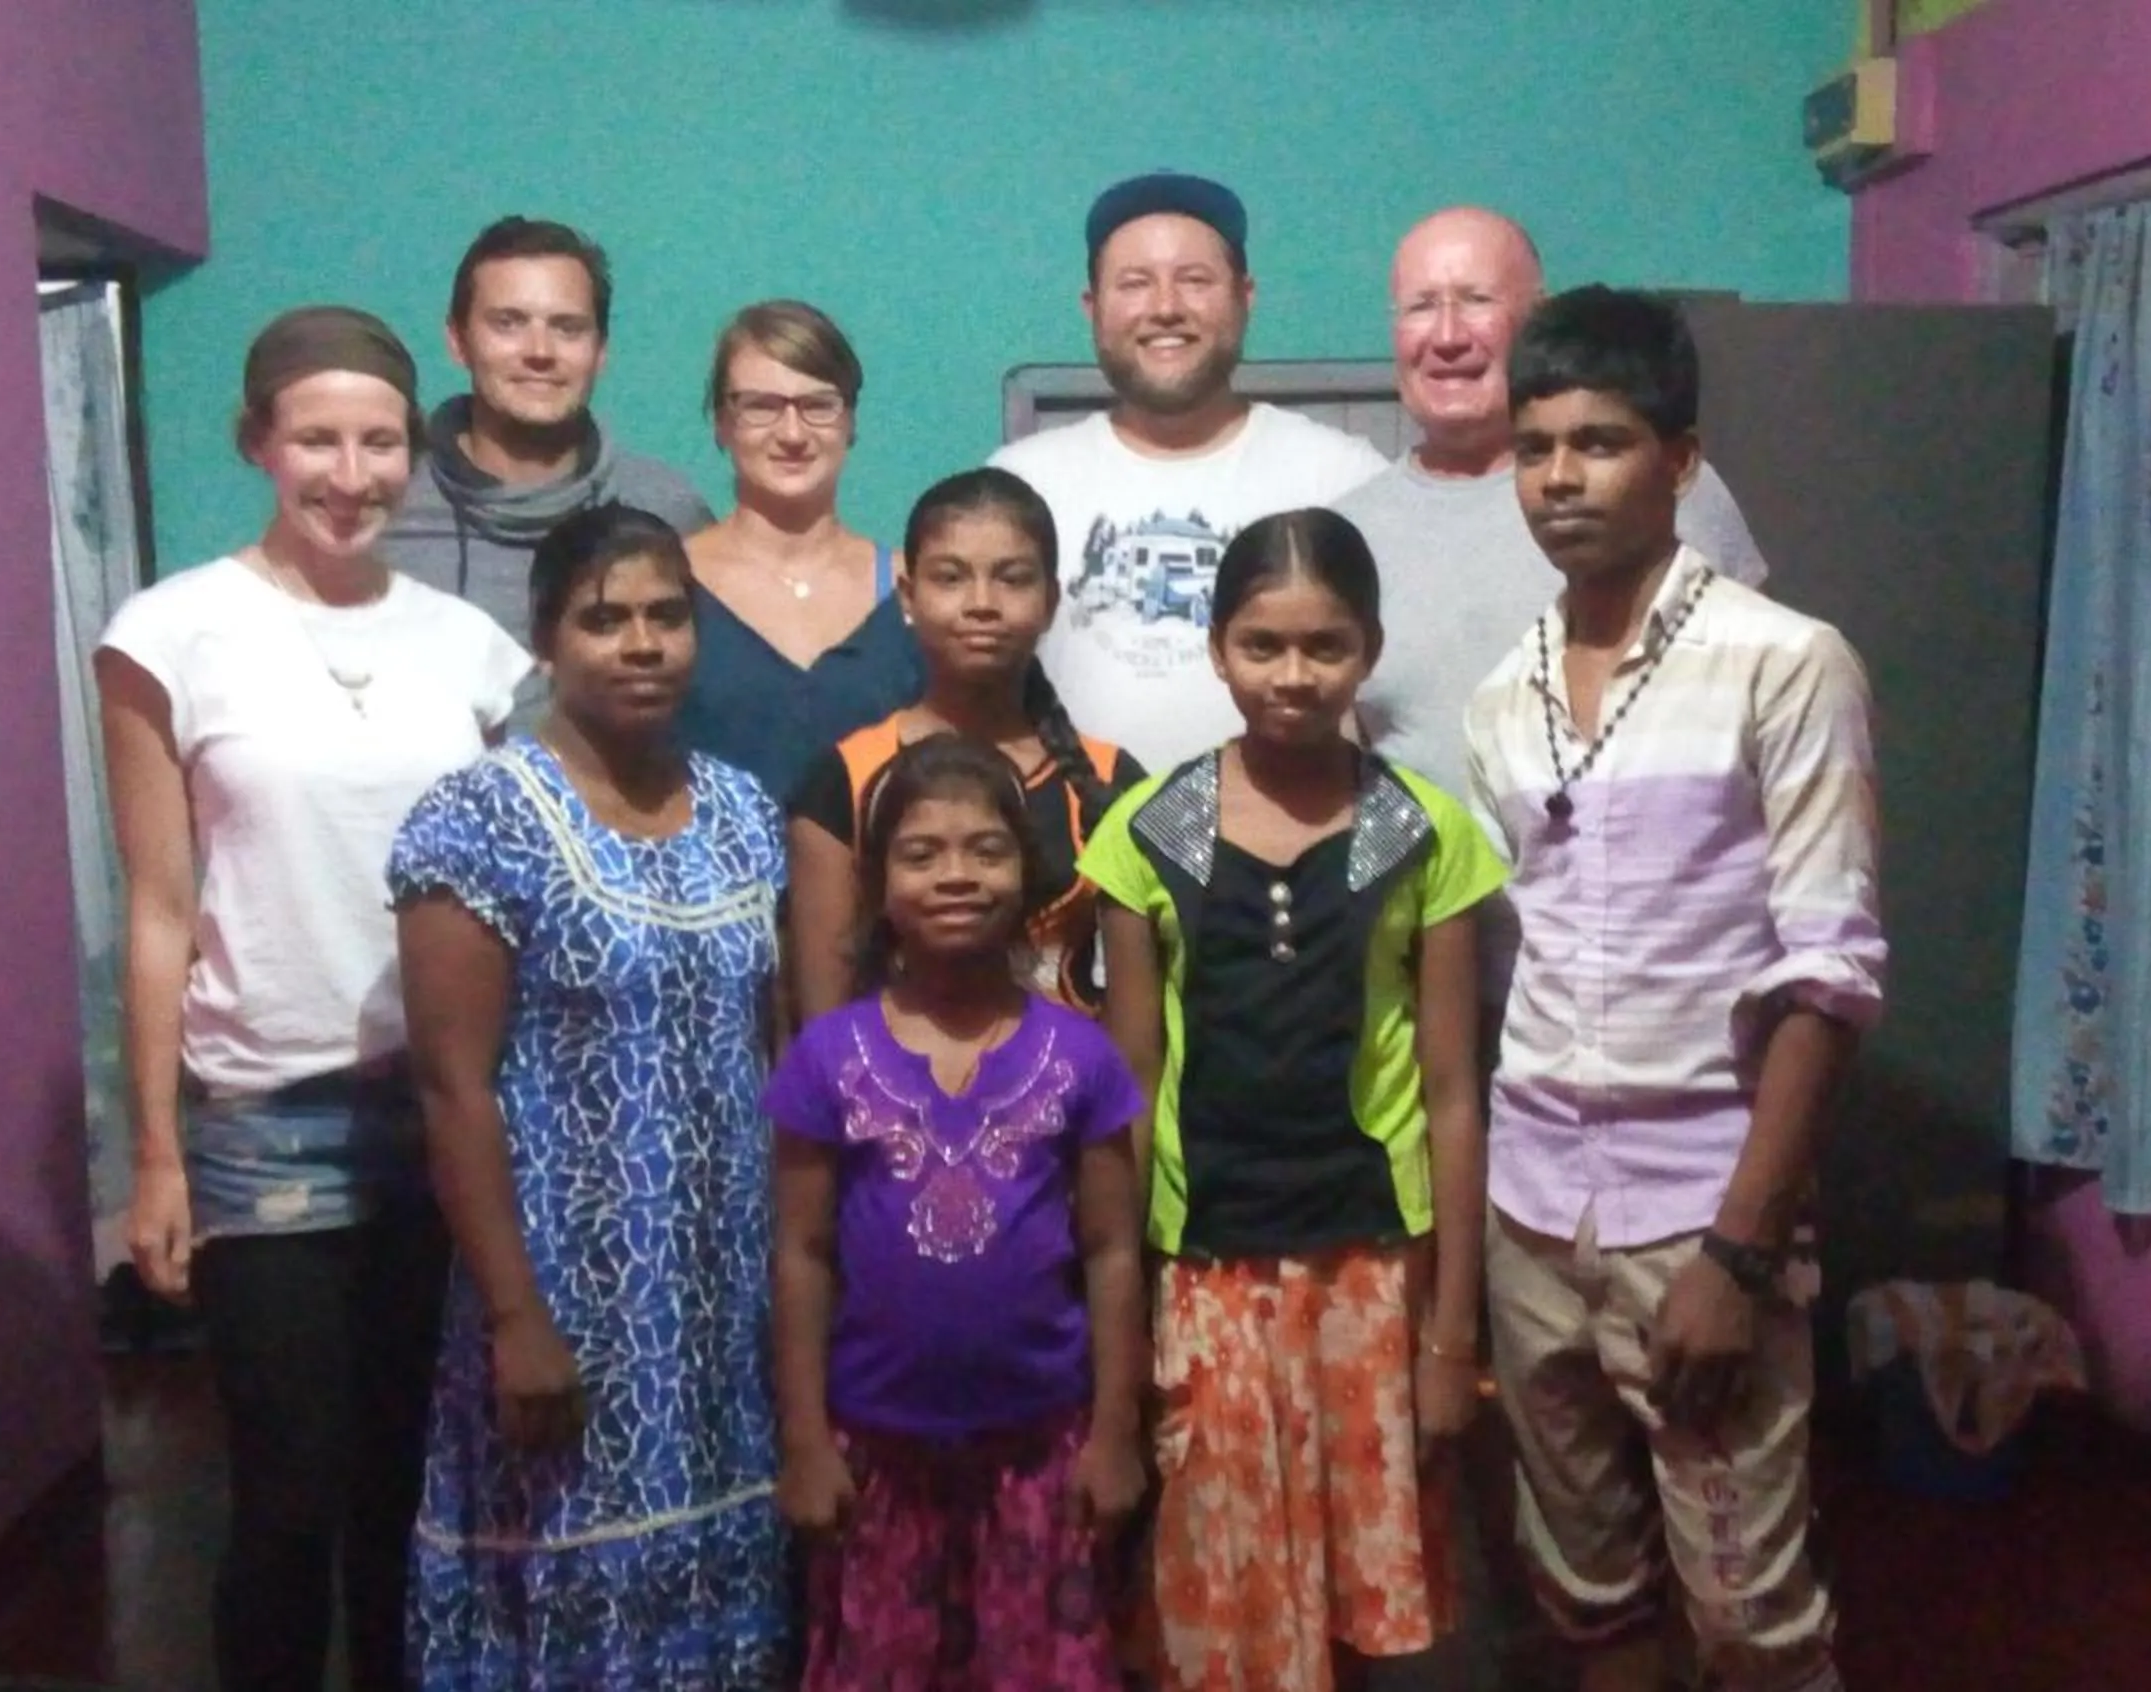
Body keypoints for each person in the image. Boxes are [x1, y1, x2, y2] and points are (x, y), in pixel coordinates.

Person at [96, 306, 531, 1692]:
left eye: (381, 441)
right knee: (287, 1496)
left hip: (451, 1115)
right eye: (318, 440)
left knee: (416, 1495)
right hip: (263, 1123)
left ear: (418, 450)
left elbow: (512, 896)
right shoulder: (170, 635)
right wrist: (156, 1154)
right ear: (259, 445)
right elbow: (159, 910)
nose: (352, 473)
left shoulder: (469, 648)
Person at [1463, 288, 1881, 1692]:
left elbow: (1828, 977)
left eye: (1601, 442)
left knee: (1751, 1617)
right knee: (1584, 1590)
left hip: (1701, 1217)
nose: (1561, 478)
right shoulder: (1499, 699)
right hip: (1530, 1211)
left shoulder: (1784, 662)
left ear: (1683, 460)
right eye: (1535, 448)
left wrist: (1739, 1256)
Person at [1079, 509, 1504, 1692]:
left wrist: (1453, 1334)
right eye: (1263, 645)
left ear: (1369, 650)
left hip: (1372, 1272)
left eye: (1326, 646)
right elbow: (1129, 1089)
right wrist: (1118, 1308)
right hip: (1204, 1269)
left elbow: (1457, 1092)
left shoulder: (1424, 833)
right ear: (1217, 650)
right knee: (1222, 1599)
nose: (1293, 675)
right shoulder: (1146, 836)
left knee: (1352, 1605)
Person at [388, 506, 791, 1687]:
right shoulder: (479, 820)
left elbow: (772, 1054)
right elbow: (452, 1088)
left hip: (724, 1302)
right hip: (563, 1292)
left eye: (667, 616)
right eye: (603, 618)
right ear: (548, 637)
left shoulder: (741, 810)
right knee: (564, 1584)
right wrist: (516, 1317)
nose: (641, 643)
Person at [768, 733, 1149, 1690]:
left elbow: (1110, 1252)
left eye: (987, 850)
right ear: (879, 881)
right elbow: (803, 1256)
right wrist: (807, 1443)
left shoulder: (1078, 1056)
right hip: (875, 1456)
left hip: (1043, 1458)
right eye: (922, 852)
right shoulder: (829, 1058)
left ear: (1028, 875)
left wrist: (1114, 1435)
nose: (957, 876)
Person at [1336, 206, 1771, 795]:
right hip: (1432, 886)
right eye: (1420, 306)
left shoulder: (1657, 491)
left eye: (1476, 300)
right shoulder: (1349, 533)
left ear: (1538, 318)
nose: (1446, 336)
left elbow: (1759, 699)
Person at [993, 171, 1388, 773]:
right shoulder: (1021, 486)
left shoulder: (1344, 477)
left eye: (1196, 280)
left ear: (1245, 296)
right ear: (1092, 308)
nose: (1165, 308)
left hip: (1289, 853)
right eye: (1134, 284)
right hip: (1076, 855)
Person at [785, 467, 1146, 1024]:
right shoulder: (846, 781)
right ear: (908, 594)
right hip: (899, 1106)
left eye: (1013, 578)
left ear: (1051, 600)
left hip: (1074, 1104)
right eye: (951, 578)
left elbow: (1141, 1029)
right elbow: (821, 1029)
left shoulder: (1106, 780)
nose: (982, 603)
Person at [390, 215, 715, 728]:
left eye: (567, 327)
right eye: (508, 323)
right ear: (457, 341)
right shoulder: (390, 510)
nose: (539, 352)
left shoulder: (665, 509)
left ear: (600, 351)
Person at [681, 299, 927, 804]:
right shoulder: (669, 585)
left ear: (851, 422)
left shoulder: (913, 589)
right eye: (761, 407)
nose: (792, 434)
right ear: (722, 424)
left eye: (818, 405)